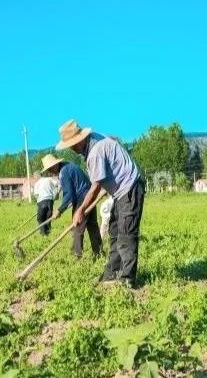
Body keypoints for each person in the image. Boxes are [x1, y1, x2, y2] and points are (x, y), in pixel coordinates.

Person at [55, 119, 145, 288]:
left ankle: (127, 279)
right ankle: (111, 273)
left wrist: (80, 210)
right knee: (114, 231)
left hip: (130, 188)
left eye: (73, 145)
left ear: (80, 139)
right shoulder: (94, 141)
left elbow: (95, 186)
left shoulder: (95, 151)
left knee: (126, 233)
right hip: (120, 191)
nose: (72, 149)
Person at [40, 154, 102, 259]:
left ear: (55, 165)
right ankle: (99, 253)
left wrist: (60, 210)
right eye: (48, 170)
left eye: (50, 168)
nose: (50, 171)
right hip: (89, 196)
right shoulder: (68, 166)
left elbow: (69, 194)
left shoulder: (64, 172)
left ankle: (76, 256)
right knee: (93, 226)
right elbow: (71, 191)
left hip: (82, 199)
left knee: (77, 227)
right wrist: (64, 206)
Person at [32, 171, 59, 236]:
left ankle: (43, 235)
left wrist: (39, 205)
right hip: (50, 201)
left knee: (40, 219)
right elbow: (58, 184)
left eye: (34, 177)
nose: (34, 179)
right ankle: (48, 234)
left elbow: (36, 195)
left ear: (37, 176)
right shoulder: (49, 179)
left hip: (41, 201)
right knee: (48, 218)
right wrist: (57, 193)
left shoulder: (37, 183)